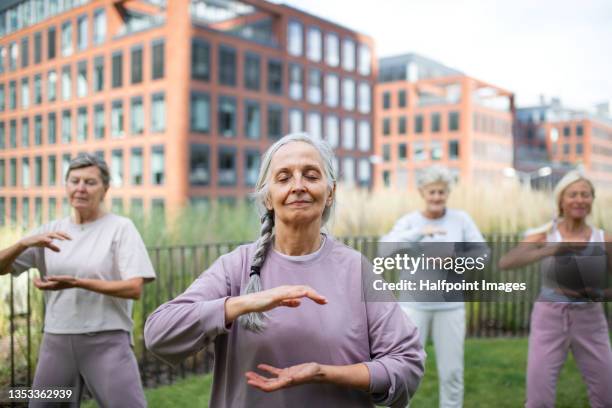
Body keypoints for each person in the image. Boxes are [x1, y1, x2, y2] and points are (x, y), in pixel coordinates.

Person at [144, 133, 425, 407]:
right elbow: (159, 333)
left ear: (330, 192)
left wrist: (325, 373)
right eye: (284, 177)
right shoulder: (236, 267)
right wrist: (244, 303)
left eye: (311, 176)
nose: (298, 185)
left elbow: (407, 364)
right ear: (268, 197)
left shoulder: (356, 270)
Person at [0, 154, 156, 407]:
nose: (80, 188)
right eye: (74, 181)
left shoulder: (120, 228)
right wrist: (22, 244)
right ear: (66, 186)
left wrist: (77, 283)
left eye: (90, 182)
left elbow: (134, 287)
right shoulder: (49, 231)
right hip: (57, 342)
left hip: (107, 342)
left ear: (105, 188)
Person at [499, 171, 612, 408]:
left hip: (590, 319)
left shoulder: (603, 239)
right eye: (573, 194)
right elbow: (506, 263)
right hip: (549, 318)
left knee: (606, 396)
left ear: (592, 199)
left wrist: (599, 294)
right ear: (561, 200)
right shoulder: (545, 234)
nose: (579, 200)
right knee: (538, 399)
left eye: (585, 194)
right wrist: (549, 249)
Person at [379, 166, 487, 408]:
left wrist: (456, 259)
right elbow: (385, 249)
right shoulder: (409, 222)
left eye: (442, 191)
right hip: (413, 306)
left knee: (452, 373)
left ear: (448, 192)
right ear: (422, 192)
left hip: (450, 308)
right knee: (404, 369)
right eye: (432, 192)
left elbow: (482, 255)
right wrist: (420, 232)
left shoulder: (461, 220)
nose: (437, 197)